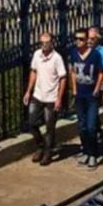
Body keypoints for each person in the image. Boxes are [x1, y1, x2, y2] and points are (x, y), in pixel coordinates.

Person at [22, 31, 67, 165]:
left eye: (47, 42)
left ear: (52, 43)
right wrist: (28, 91)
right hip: (38, 95)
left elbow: (62, 78)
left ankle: (47, 152)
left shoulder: (57, 58)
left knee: (49, 126)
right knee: (31, 123)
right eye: (42, 42)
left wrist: (59, 98)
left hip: (51, 98)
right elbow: (33, 72)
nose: (45, 45)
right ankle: (40, 145)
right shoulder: (37, 55)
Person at [69, 29, 103, 169]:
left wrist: (97, 89)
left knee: (91, 126)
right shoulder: (73, 53)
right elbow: (72, 71)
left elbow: (101, 73)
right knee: (82, 126)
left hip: (91, 96)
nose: (78, 41)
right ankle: (85, 150)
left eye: (81, 39)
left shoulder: (95, 55)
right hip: (80, 95)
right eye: (76, 39)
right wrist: (74, 90)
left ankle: (93, 154)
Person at [88, 27, 103, 148]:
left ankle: (95, 133)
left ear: (97, 39)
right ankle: (97, 130)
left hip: (98, 86)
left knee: (93, 110)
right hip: (87, 85)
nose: (89, 41)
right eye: (88, 38)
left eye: (92, 39)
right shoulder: (85, 50)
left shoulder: (102, 52)